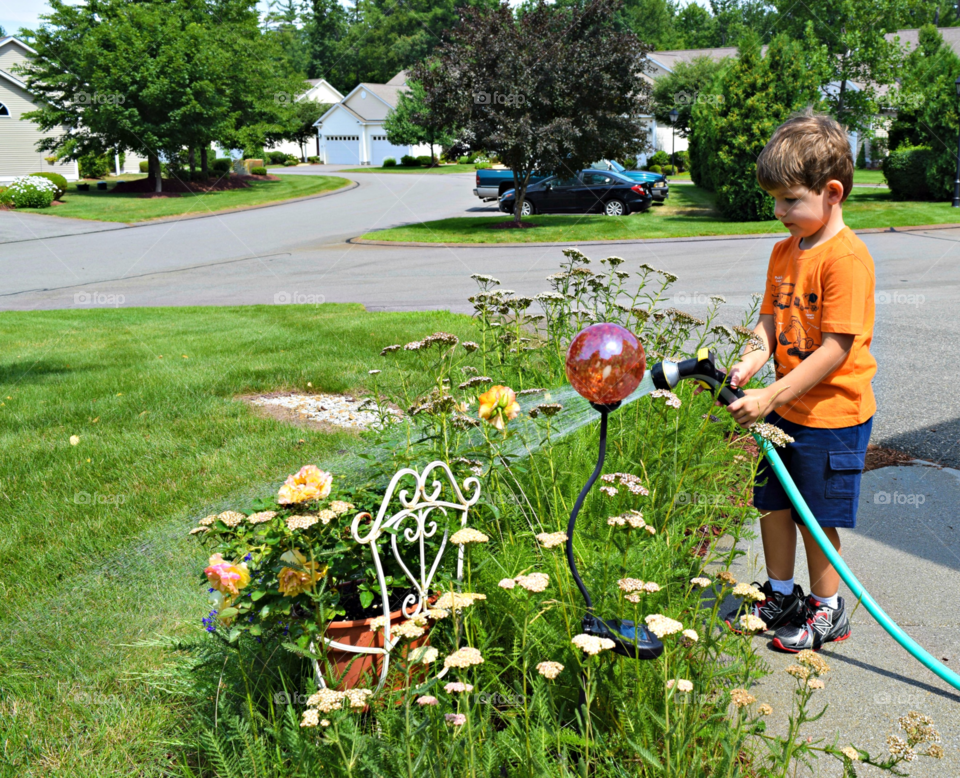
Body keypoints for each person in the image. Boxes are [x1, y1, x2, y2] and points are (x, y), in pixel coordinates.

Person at [720, 114, 876, 652]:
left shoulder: (846, 259)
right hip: (783, 408)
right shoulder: (784, 251)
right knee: (773, 503)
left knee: (814, 516)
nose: (778, 212)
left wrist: (770, 395)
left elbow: (836, 350)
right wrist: (748, 364)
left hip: (832, 415)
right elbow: (767, 324)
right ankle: (781, 596)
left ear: (831, 193)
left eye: (789, 200)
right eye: (775, 200)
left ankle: (828, 610)